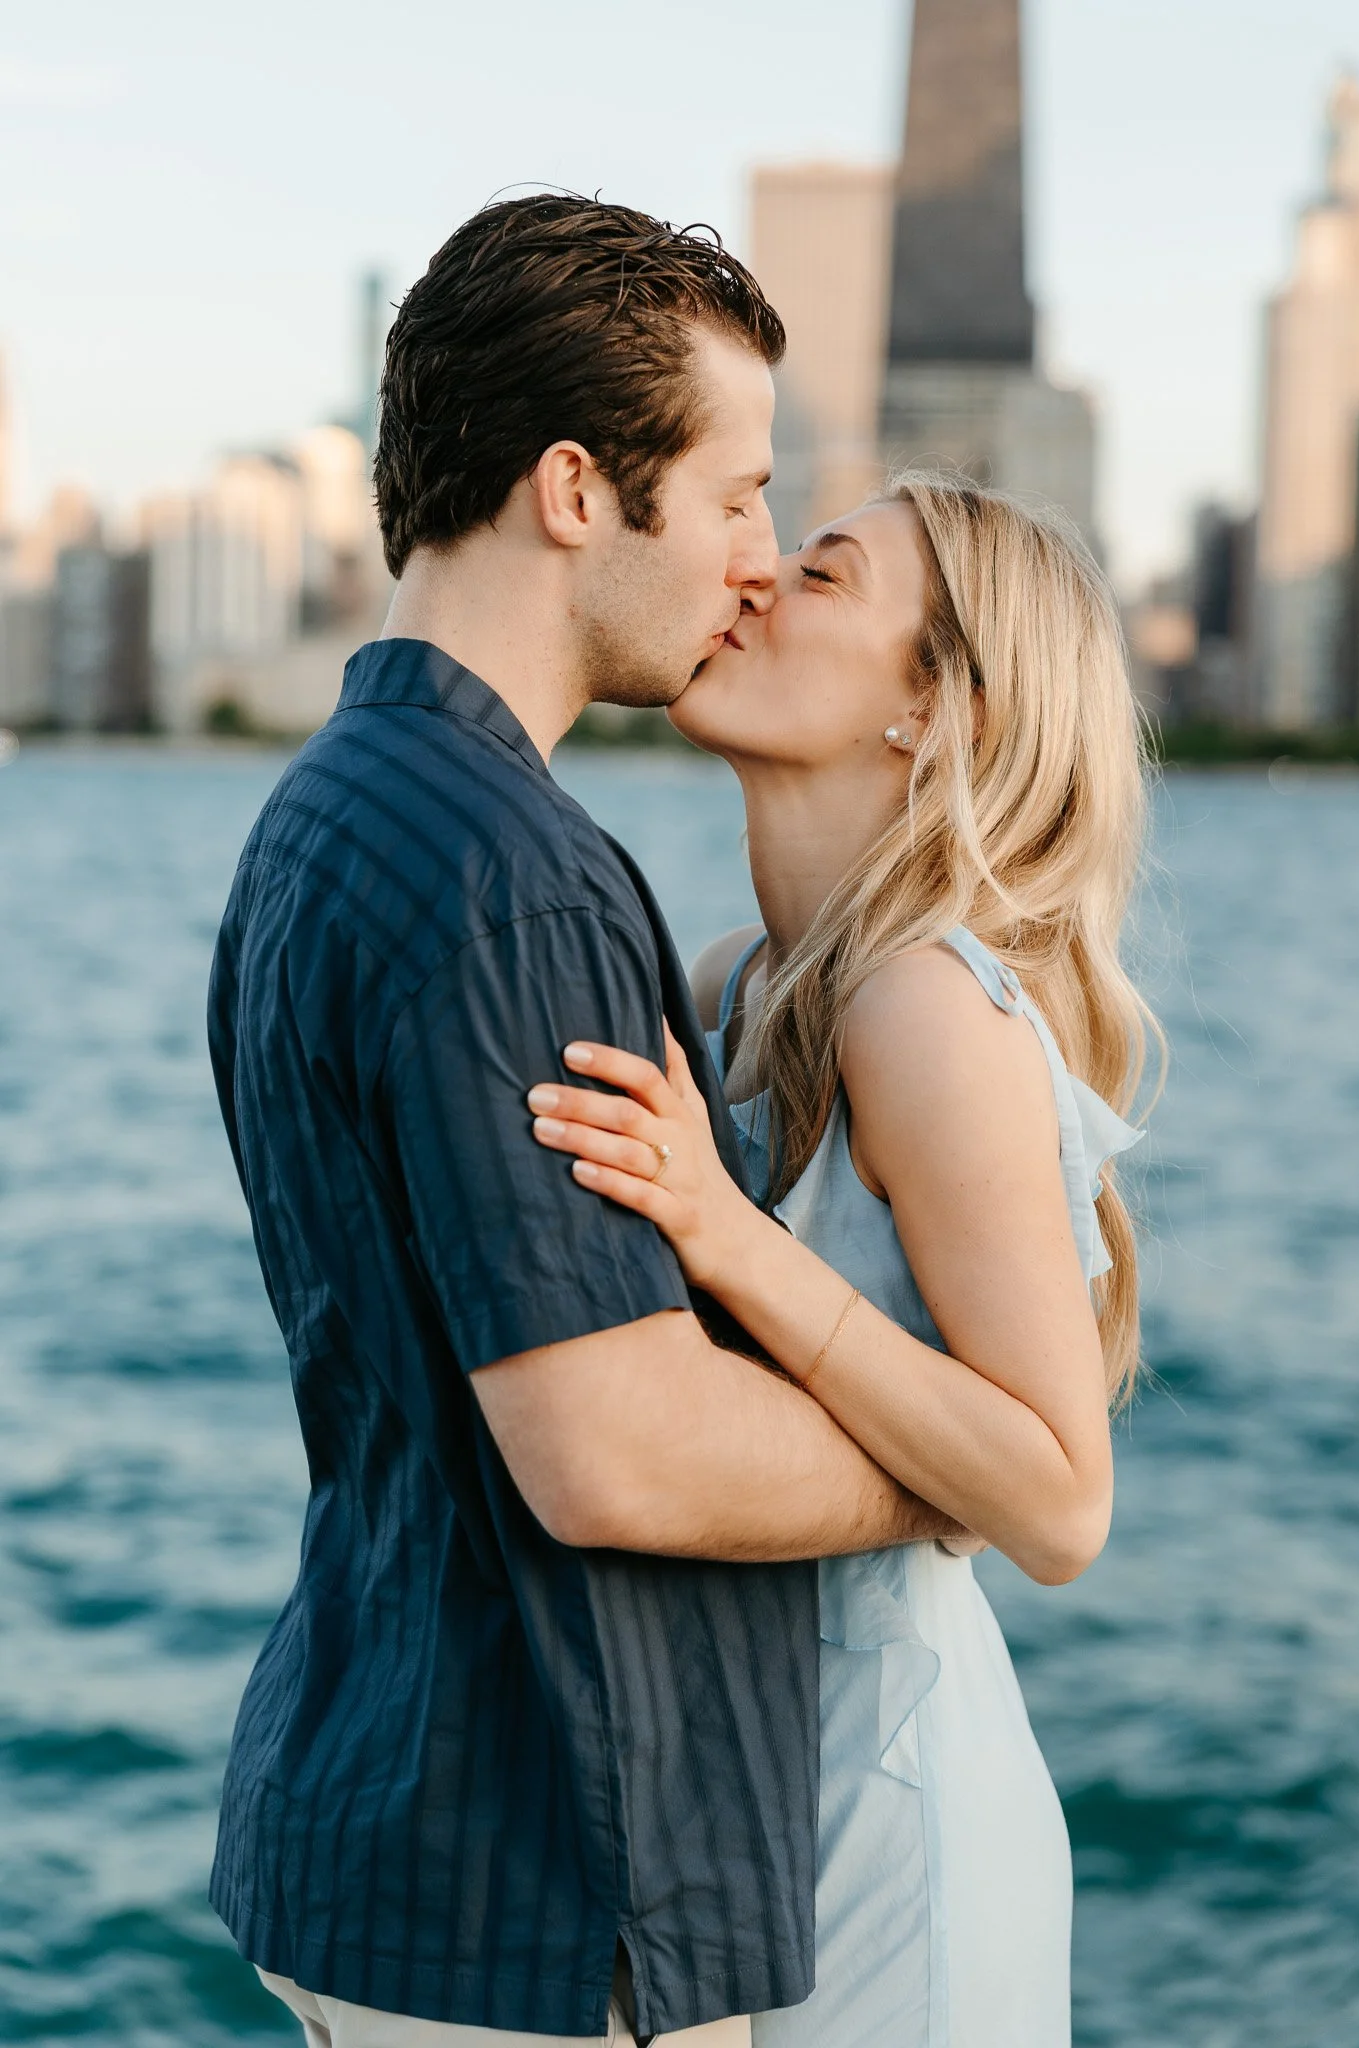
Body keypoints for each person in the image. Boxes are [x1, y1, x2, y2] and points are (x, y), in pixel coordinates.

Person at [207, 197, 967, 2048]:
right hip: (547, 1890)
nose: (756, 561)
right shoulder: (515, 875)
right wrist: (942, 1477)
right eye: (731, 498)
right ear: (573, 489)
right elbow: (615, 1454)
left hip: (387, 1822)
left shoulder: (325, 818)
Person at [527, 475, 1160, 2047]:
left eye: (821, 572)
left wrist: (728, 1237)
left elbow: (1064, 1500)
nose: (749, 583)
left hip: (889, 1815)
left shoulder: (922, 1006)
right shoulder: (742, 981)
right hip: (741, 1791)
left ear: (931, 706)